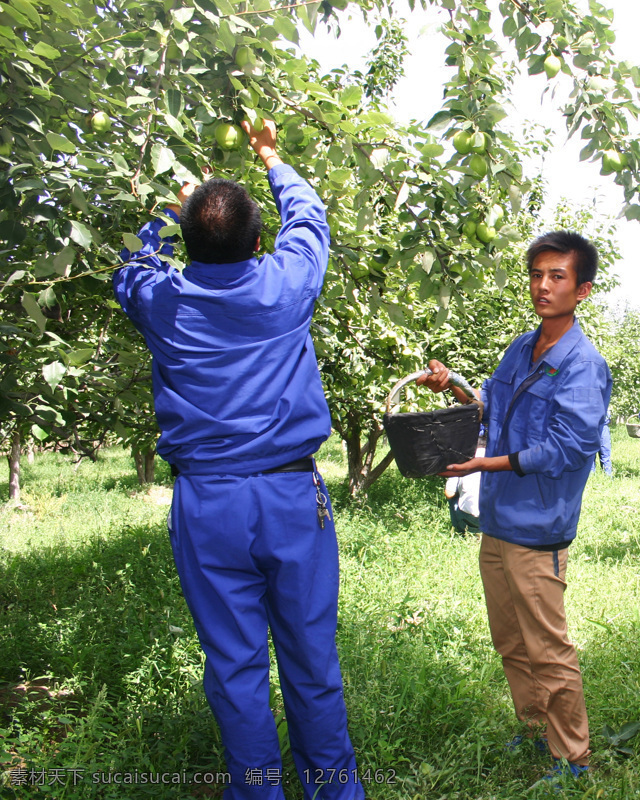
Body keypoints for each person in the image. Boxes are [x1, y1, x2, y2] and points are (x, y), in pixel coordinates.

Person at [113, 121, 363, 798]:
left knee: (235, 666)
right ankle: (335, 791)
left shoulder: (162, 299)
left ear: (188, 244)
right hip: (289, 497)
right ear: (259, 242)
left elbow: (131, 268)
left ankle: (257, 791)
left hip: (209, 503)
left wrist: (168, 216)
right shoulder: (286, 284)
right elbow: (308, 216)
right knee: (311, 659)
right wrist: (269, 154)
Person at [417, 231, 611, 780]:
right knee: (511, 639)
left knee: (547, 647)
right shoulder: (522, 348)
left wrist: (483, 465)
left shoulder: (581, 364)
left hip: (538, 524)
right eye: (536, 274)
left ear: (583, 290)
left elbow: (568, 448)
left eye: (557, 277)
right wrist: (451, 383)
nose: (543, 286)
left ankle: (571, 755)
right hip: (499, 520)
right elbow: (490, 407)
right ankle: (533, 729)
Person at [447, 438, 486, 533]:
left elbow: (449, 493)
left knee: (452, 497)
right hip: (493, 519)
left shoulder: (462, 462)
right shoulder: (496, 461)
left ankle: (461, 530)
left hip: (470, 518)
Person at [593, 409, 613, 477]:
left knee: (605, 454)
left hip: (603, 427)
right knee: (591, 455)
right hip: (590, 427)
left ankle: (608, 476)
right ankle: (591, 477)